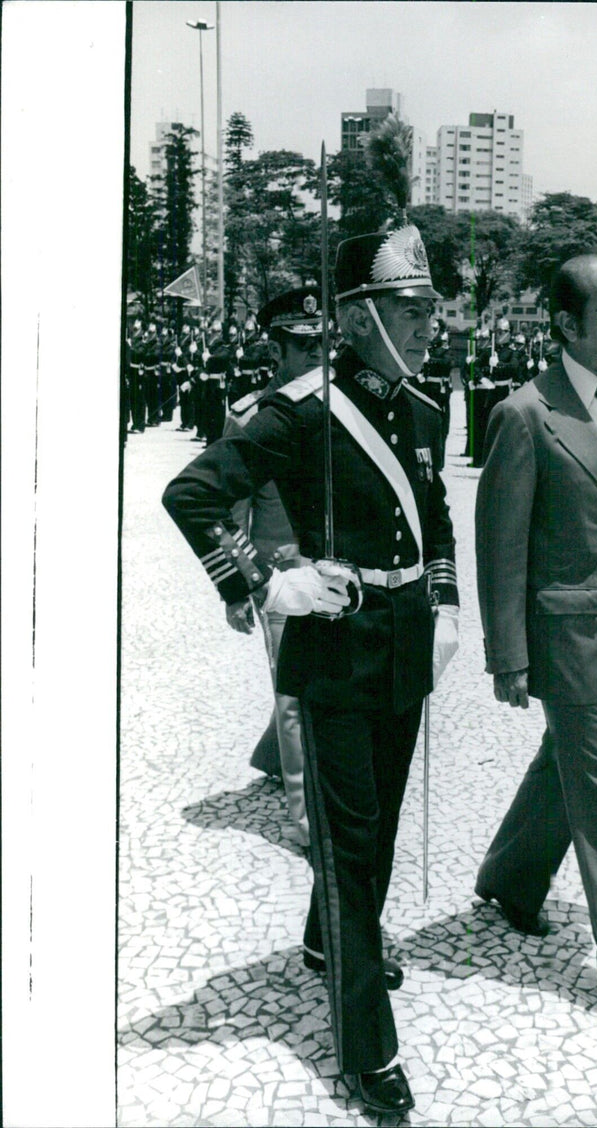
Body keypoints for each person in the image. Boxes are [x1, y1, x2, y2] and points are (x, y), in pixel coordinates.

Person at [163, 223, 459, 1115]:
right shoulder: (301, 411)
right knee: (354, 843)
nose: (427, 327)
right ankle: (368, 1046)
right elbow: (193, 494)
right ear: (359, 317)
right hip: (333, 653)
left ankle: (331, 941)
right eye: (411, 311)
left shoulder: (425, 406)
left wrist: (444, 601)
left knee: (371, 832)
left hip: (404, 645)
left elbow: (435, 513)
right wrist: (268, 580)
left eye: (430, 310)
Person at [473, 250, 597, 1051]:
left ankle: (510, 879)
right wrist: (509, 656)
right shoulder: (525, 415)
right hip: (568, 640)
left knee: (563, 766)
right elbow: (501, 546)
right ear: (565, 323)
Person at [222, 287, 329, 846]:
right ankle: (310, 819)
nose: (316, 356)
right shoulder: (251, 419)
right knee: (294, 693)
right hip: (281, 575)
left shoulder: (337, 408)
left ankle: (270, 754)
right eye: (302, 345)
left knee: (321, 679)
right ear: (277, 349)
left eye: (322, 345)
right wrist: (237, 588)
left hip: (337, 573)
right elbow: (226, 512)